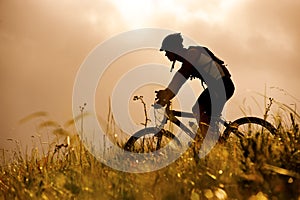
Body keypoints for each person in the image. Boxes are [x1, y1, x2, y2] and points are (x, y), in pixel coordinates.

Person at [156, 33, 235, 143]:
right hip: (221, 87)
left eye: (167, 51)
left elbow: (180, 78)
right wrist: (166, 96)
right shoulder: (189, 56)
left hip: (222, 86)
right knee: (204, 117)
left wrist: (166, 93)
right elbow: (179, 79)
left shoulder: (191, 55)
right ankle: (214, 142)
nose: (166, 55)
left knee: (198, 109)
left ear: (174, 50)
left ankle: (213, 143)